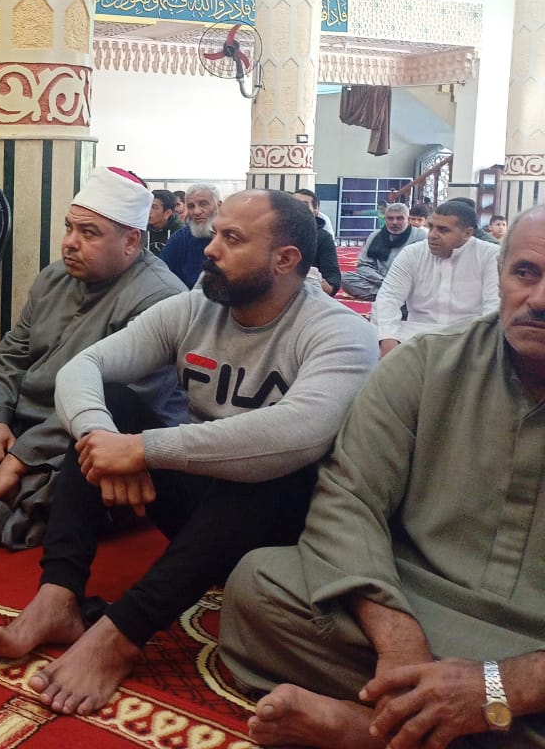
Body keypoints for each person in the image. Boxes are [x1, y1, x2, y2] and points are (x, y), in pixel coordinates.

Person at [0, 189, 377, 717]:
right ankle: (58, 596)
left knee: (269, 468)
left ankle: (121, 634)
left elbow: (299, 433)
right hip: (204, 514)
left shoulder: (341, 333)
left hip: (286, 531)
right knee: (113, 403)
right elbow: (83, 368)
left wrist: (145, 450)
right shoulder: (196, 307)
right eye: (215, 232)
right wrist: (103, 439)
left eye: (232, 238)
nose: (209, 248)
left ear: (285, 259)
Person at [218, 206, 545, 749]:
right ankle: (439, 715)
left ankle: (373, 730)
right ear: (501, 274)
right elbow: (348, 497)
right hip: (417, 602)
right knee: (259, 585)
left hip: (534, 647)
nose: (539, 300)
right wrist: (397, 639)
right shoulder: (426, 364)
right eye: (526, 273)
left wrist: (499, 686)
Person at [0, 168, 186, 549]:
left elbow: (120, 402)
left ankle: (12, 500)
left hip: (83, 431)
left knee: (96, 468)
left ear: (130, 241)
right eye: (68, 228)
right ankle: (9, 497)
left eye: (88, 233)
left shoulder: (160, 298)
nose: (69, 244)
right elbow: (13, 352)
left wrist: (22, 456)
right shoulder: (53, 278)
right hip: (22, 418)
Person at [375, 200, 499, 356]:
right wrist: (388, 341)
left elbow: (494, 308)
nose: (433, 235)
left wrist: (481, 350)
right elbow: (388, 299)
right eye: (431, 227)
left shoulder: (490, 255)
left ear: (467, 233)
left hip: (469, 339)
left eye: (443, 230)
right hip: (416, 337)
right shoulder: (412, 253)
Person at [340, 201, 426, 300]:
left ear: (408, 219)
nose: (394, 222)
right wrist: (383, 281)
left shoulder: (420, 236)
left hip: (406, 282)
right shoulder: (375, 236)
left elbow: (424, 268)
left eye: (399, 218)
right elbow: (363, 265)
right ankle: (395, 296)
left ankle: (386, 295)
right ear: (385, 219)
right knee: (344, 278)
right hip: (380, 280)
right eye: (390, 218)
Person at [158, 183, 219, 289]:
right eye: (191, 206)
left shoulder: (233, 239)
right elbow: (160, 275)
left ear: (219, 206)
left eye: (203, 204)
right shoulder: (180, 239)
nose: (196, 211)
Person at [290, 189, 342, 297]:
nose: (297, 208)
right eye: (293, 204)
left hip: (308, 282)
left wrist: (329, 287)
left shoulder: (323, 238)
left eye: (303, 205)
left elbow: (332, 273)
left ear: (315, 211)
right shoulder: (276, 233)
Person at [145, 189, 183, 254]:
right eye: (148, 206)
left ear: (167, 213)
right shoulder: (142, 228)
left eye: (154, 207)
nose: (149, 211)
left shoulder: (180, 232)